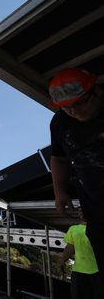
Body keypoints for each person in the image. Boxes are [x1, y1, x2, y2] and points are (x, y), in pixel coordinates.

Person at [49, 68, 104, 282]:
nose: (74, 111)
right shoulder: (60, 123)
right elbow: (59, 158)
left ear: (96, 90)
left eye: (80, 103)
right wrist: (59, 192)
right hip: (97, 216)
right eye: (66, 108)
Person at [61, 211, 103, 299]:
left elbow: (69, 248)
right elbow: (69, 248)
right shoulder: (73, 229)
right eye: (80, 211)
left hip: (91, 273)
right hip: (86, 272)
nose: (82, 213)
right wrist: (62, 261)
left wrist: (62, 262)